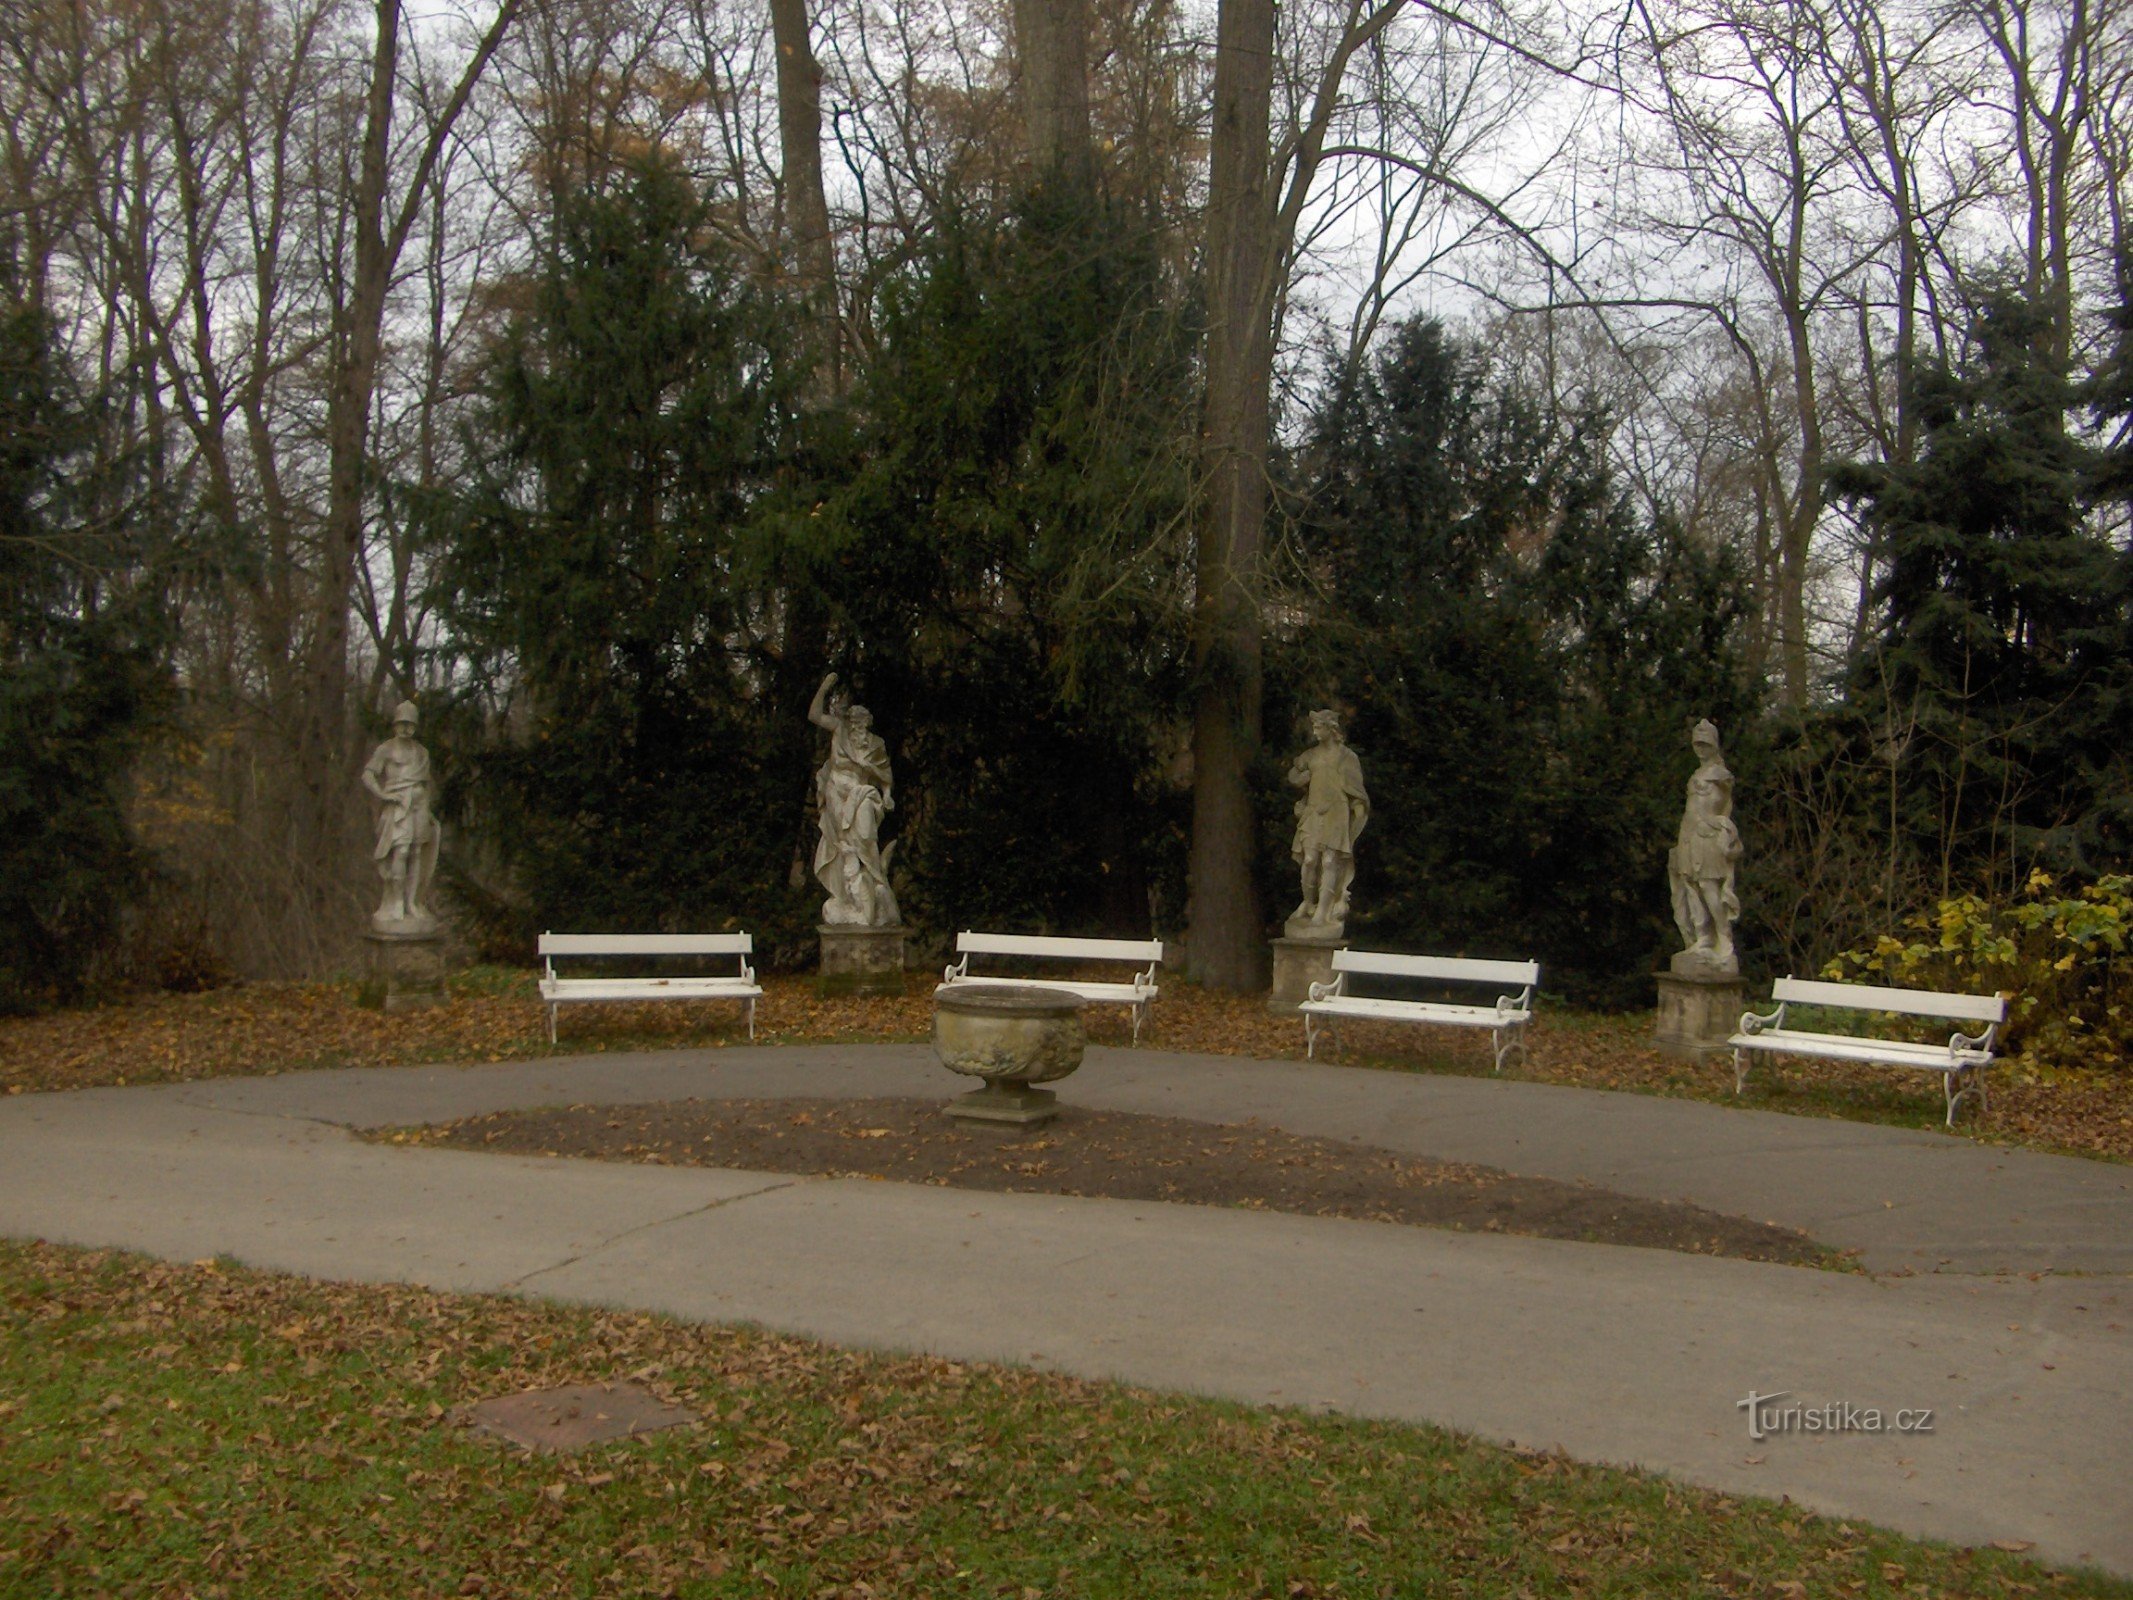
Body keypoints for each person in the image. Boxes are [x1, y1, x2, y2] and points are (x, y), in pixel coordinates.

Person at [808, 672, 899, 927]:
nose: (855, 725)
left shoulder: (875, 744)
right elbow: (814, 715)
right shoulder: (839, 731)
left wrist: (888, 794)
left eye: (860, 721)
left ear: (867, 723)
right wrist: (824, 687)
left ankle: (875, 880)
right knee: (843, 844)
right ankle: (851, 894)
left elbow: (885, 774)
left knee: (866, 834)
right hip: (837, 789)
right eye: (852, 720)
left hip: (863, 793)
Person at [1668, 719, 1743, 972]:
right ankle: (1703, 937)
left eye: (1705, 744)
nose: (1700, 749)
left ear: (1714, 744)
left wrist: (1716, 824)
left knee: (1710, 886)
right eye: (1697, 744)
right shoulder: (1696, 775)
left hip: (1708, 837)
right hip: (1689, 836)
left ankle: (1724, 938)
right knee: (1691, 886)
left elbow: (1724, 804)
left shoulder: (1721, 775)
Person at [361, 699, 440, 931]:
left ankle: (412, 902)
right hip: (398, 804)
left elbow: (426, 783)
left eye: (410, 724)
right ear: (396, 724)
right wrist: (383, 794)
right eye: (402, 723)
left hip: (419, 804)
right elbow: (368, 775)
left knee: (417, 851)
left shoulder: (421, 752)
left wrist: (428, 810)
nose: (406, 728)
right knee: (401, 850)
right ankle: (395, 902)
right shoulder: (386, 749)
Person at [1288, 709, 1369, 933]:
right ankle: (1307, 902)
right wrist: (1299, 779)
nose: (1315, 731)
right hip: (1313, 812)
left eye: (1318, 727)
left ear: (1331, 729)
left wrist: (1358, 807)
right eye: (1313, 727)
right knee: (1310, 859)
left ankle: (1323, 911)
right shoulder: (1310, 755)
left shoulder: (1347, 757)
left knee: (1330, 861)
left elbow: (1355, 787)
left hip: (1337, 812)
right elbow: (1293, 774)